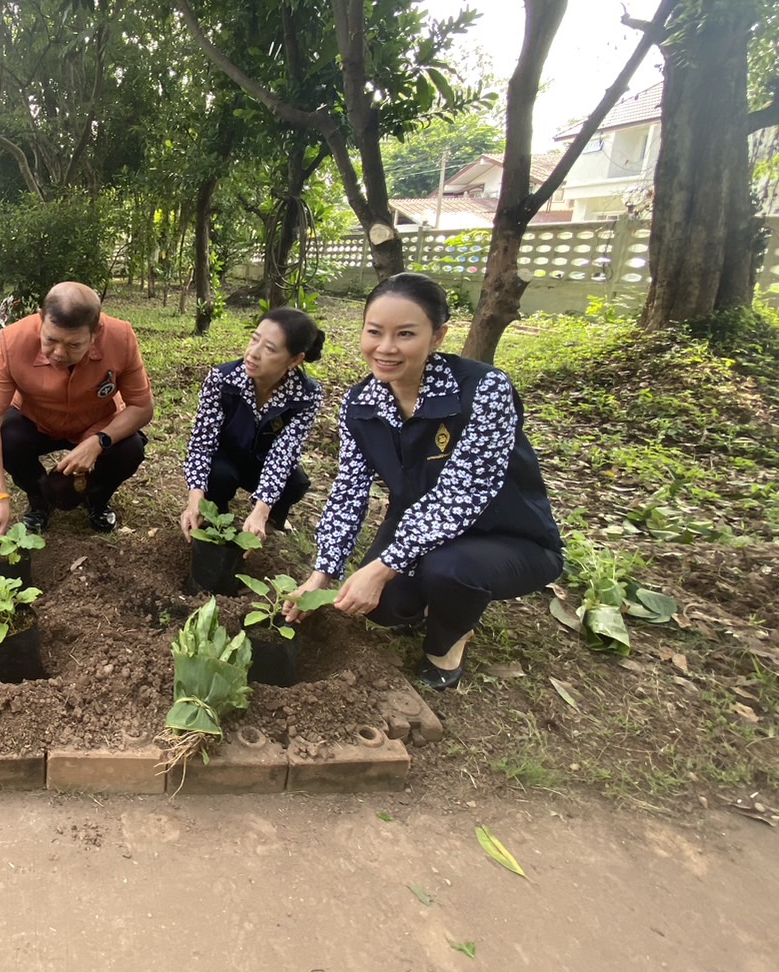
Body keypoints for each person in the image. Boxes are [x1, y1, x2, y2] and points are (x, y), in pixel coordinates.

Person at [286, 273, 563, 690]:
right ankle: (435, 595)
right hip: (418, 524)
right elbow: (349, 490)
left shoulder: (484, 389)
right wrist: (322, 574)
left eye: (405, 334)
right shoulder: (361, 404)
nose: (386, 348)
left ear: (437, 337)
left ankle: (448, 640)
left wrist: (383, 567)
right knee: (383, 609)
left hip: (507, 533)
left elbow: (463, 495)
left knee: (448, 570)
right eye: (374, 332)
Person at [0, 282, 154, 540]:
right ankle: (39, 500)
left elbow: (142, 407)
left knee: (130, 449)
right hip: (38, 422)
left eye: (74, 345)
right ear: (41, 319)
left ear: (96, 332)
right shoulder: (12, 340)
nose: (59, 354)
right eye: (50, 340)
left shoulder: (121, 337)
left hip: (96, 423)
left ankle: (96, 500)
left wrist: (99, 441)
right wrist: (0, 498)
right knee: (8, 436)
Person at [179, 307, 325, 542]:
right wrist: (195, 499)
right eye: (254, 339)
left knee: (295, 483)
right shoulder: (222, 379)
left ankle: (268, 520)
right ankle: (217, 515)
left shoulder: (306, 396)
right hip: (226, 457)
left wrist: (262, 510)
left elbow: (284, 455)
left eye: (269, 348)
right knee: (218, 476)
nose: (253, 353)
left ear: (295, 359)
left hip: (263, 463)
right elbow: (202, 444)